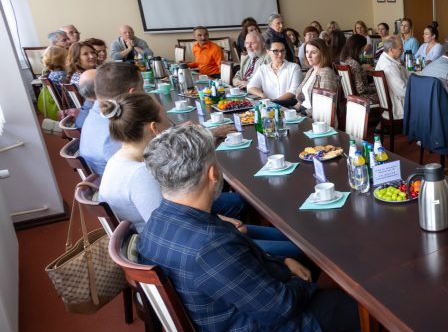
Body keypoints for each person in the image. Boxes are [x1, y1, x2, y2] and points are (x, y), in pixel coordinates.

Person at [137, 125, 362, 332]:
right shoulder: (209, 248)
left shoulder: (159, 221)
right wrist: (296, 280)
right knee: (366, 309)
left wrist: (283, 263)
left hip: (213, 327)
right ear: (212, 173)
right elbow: (279, 307)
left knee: (303, 263)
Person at [98, 93, 299, 256]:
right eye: (166, 119)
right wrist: (224, 226)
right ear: (155, 128)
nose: (172, 124)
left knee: (275, 229)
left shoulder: (119, 160)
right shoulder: (140, 176)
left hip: (184, 238)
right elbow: (174, 230)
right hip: (187, 249)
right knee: (297, 248)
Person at [79, 61, 141, 175]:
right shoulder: (118, 126)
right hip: (119, 183)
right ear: (132, 93)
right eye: (142, 88)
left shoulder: (95, 113)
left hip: (103, 179)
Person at [247, 40, 301, 106]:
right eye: (276, 51)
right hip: (268, 105)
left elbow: (294, 91)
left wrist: (274, 102)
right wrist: (262, 95)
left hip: (288, 106)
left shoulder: (294, 67)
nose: (280, 54)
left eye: (282, 51)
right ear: (268, 52)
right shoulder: (263, 69)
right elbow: (250, 87)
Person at [296, 38, 338, 114]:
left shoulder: (326, 73)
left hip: (315, 117)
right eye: (307, 52)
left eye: (313, 52)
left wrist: (302, 114)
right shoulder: (311, 70)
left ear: (322, 54)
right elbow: (302, 96)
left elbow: (324, 104)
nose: (308, 56)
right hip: (303, 110)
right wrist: (295, 108)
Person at [336, 34, 379, 106]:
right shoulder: (354, 64)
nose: (362, 50)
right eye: (362, 48)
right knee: (387, 96)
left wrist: (362, 69)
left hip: (349, 96)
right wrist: (376, 88)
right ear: (357, 48)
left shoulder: (343, 60)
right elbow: (361, 89)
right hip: (360, 97)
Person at [374, 35, 408, 120]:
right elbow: (403, 91)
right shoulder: (389, 66)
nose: (403, 51)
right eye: (400, 49)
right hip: (397, 107)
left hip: (391, 102)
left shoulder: (387, 58)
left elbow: (407, 73)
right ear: (391, 50)